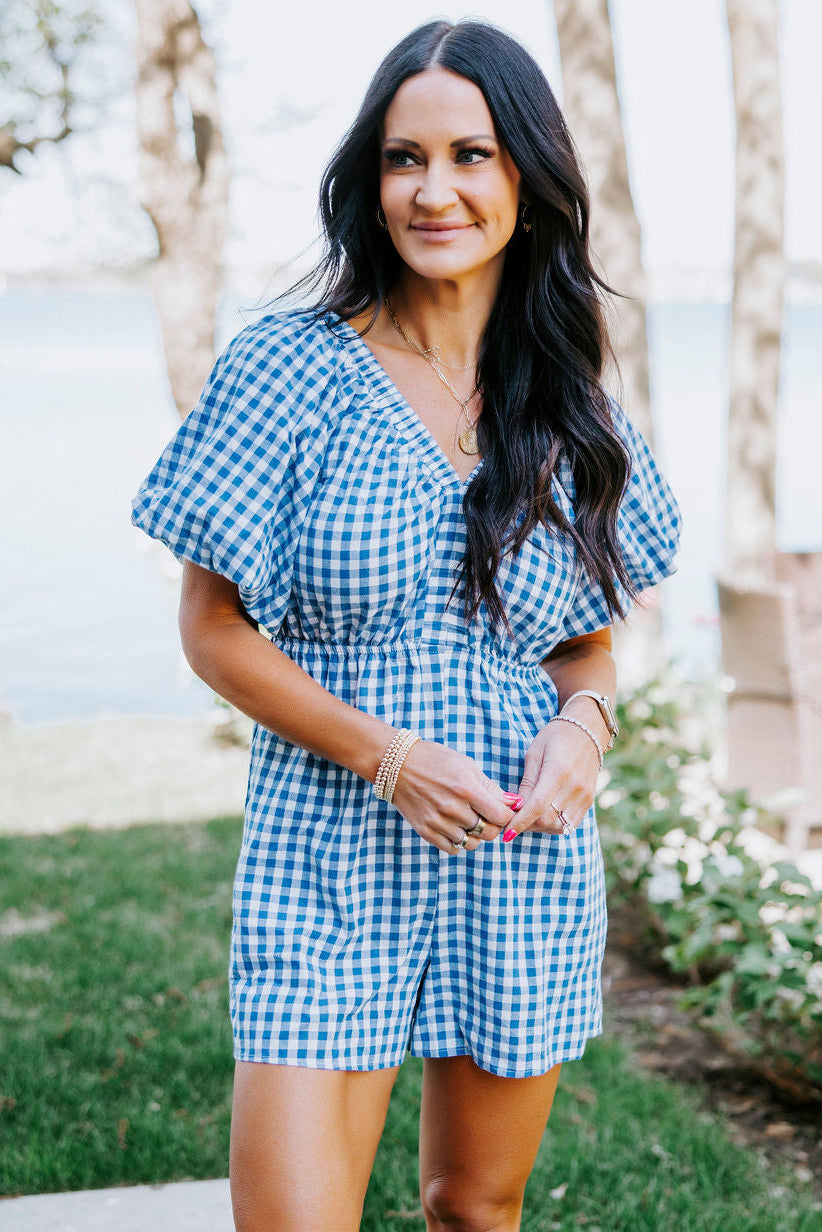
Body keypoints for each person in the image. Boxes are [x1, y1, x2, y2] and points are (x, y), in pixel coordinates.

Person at [131, 18, 680, 1232]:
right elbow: (212, 628)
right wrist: (389, 757)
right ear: (369, 180)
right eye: (403, 158)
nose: (434, 190)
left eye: (470, 155)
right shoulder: (289, 368)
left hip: (516, 852)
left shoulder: (569, 400)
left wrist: (584, 725)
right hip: (327, 846)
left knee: (475, 1207)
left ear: (527, 179)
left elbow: (581, 639)